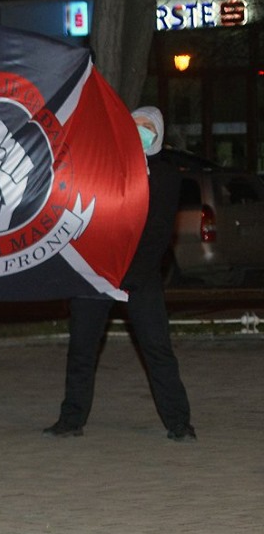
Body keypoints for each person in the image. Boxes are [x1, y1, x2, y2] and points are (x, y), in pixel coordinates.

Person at [46, 106, 195, 440]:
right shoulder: (105, 167)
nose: (140, 133)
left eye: (147, 128)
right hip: (96, 273)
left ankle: (179, 423)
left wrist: (127, 276)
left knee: (157, 348)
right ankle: (71, 420)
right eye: (134, 126)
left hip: (139, 276)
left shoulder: (166, 175)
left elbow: (158, 232)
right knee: (82, 348)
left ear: (158, 135)